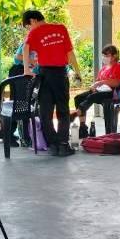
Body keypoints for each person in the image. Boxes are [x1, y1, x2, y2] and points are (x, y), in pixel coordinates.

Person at [22, 10, 81, 156]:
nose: (29, 29)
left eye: (28, 26)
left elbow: (25, 48)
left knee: (45, 111)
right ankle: (62, 144)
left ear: (33, 20)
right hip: (60, 73)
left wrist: (26, 70)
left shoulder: (35, 32)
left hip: (44, 74)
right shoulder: (61, 28)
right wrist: (78, 72)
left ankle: (53, 143)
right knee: (63, 110)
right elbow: (70, 53)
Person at [73, 44, 120, 138]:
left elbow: (117, 83)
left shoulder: (118, 67)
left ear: (114, 56)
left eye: (107, 55)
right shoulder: (104, 68)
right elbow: (98, 81)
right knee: (78, 98)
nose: (104, 57)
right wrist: (94, 86)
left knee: (92, 96)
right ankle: (83, 128)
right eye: (103, 55)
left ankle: (81, 109)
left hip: (112, 93)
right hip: (100, 91)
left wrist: (102, 82)